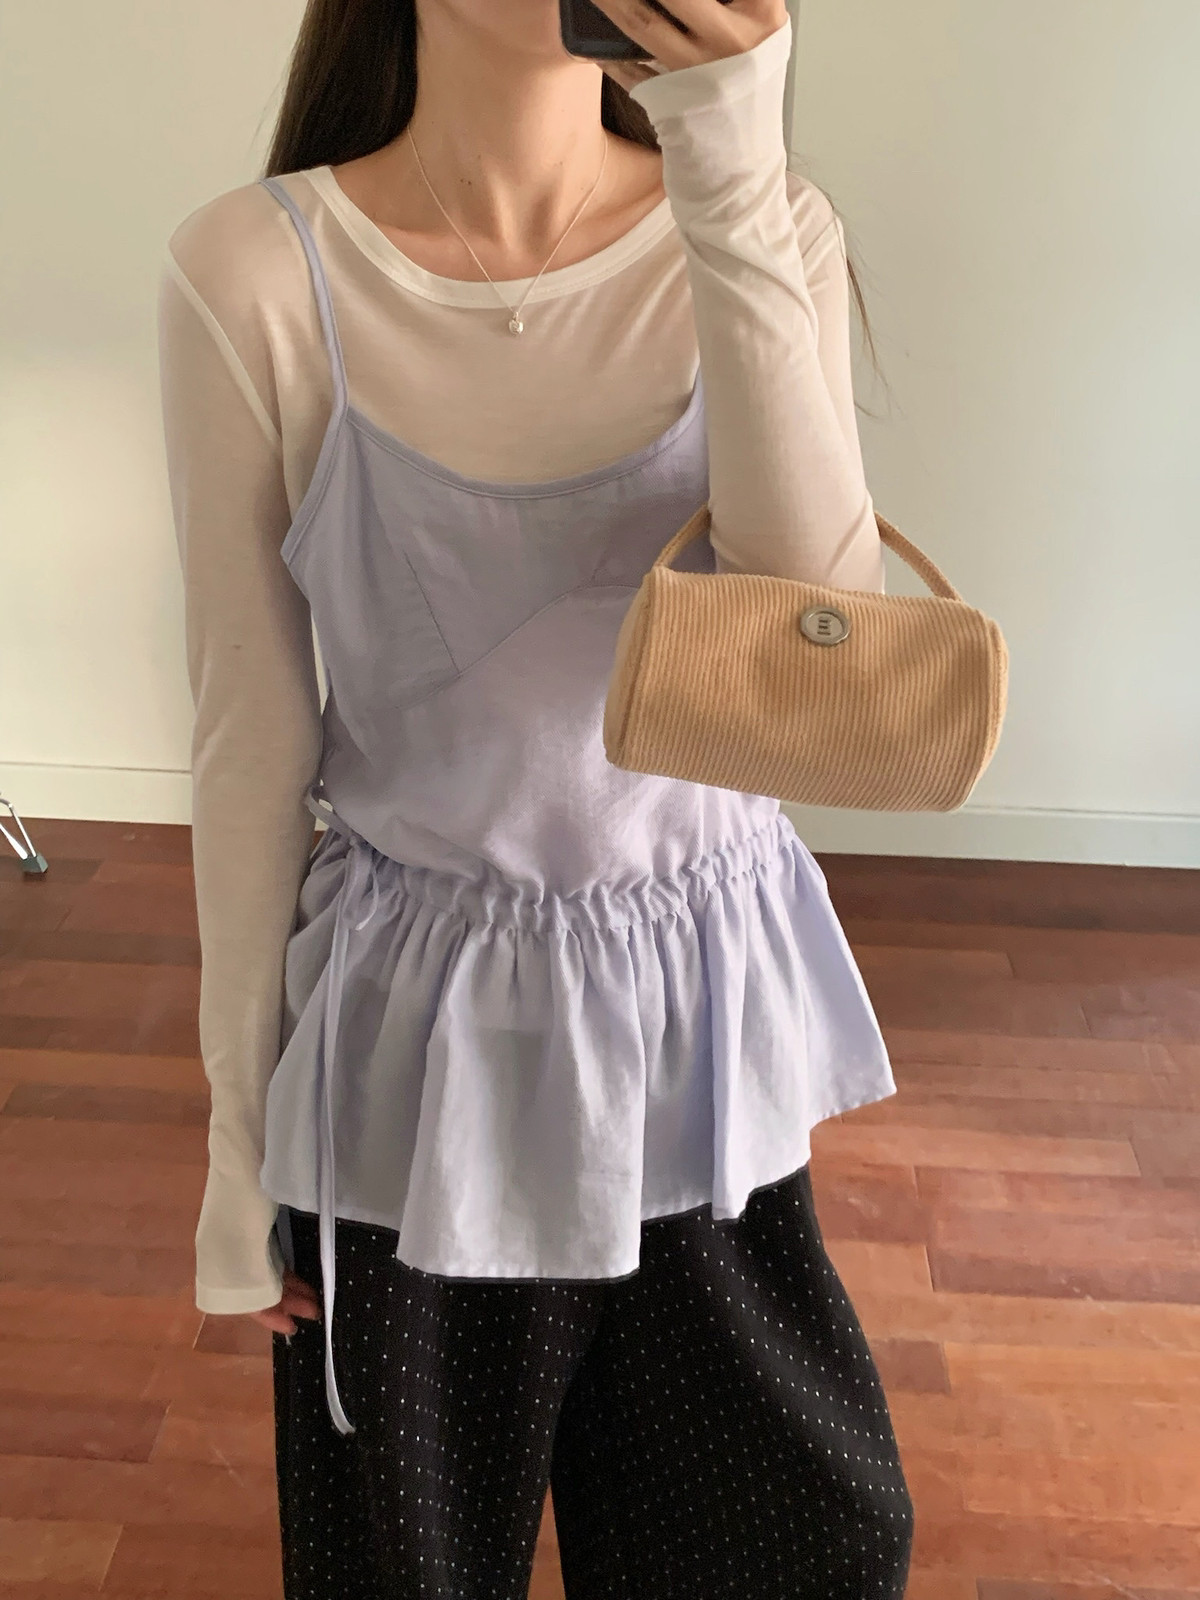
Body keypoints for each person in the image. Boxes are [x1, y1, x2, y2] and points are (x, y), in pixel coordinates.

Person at [157, 0, 915, 1594]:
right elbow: (249, 743)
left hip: (698, 1033)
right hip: (415, 1069)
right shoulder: (256, 273)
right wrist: (239, 1149)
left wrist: (731, 147)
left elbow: (815, 640)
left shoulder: (761, 217)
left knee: (804, 1546)